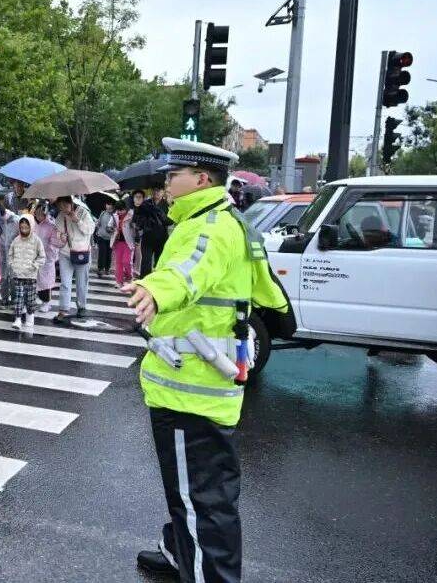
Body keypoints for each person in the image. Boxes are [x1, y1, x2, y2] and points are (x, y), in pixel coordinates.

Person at [126, 138, 292, 583]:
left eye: (173, 174)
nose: (166, 180)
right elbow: (266, 290)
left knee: (202, 500)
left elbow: (187, 271)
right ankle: (179, 549)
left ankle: (204, 569)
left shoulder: (208, 227)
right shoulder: (225, 221)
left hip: (190, 393)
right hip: (204, 385)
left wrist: (156, 291)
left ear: (201, 179)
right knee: (197, 492)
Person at [52, 196, 96, 324]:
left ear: (71, 203)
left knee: (81, 282)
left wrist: (77, 221)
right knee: (65, 282)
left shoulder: (83, 213)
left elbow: (90, 230)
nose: (63, 209)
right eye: (60, 206)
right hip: (65, 252)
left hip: (81, 252)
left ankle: (81, 307)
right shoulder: (60, 216)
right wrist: (61, 236)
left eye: (65, 206)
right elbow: (58, 231)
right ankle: (63, 309)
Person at [8, 213, 44, 330]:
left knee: (30, 298)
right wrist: (13, 265)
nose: (24, 229)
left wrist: (34, 265)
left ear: (31, 227)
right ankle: (17, 319)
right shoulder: (16, 240)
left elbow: (42, 257)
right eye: (22, 227)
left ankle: (30, 317)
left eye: (26, 227)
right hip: (18, 275)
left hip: (31, 276)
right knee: (18, 298)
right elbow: (10, 255)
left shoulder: (37, 240)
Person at [138, 186, 173, 277]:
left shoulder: (167, 204)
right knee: (146, 261)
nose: (156, 192)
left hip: (161, 238)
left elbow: (170, 221)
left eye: (159, 191)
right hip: (147, 237)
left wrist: (160, 214)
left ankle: (157, 282)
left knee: (159, 262)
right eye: (154, 190)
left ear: (163, 192)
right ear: (152, 191)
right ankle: (144, 281)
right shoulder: (146, 204)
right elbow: (139, 219)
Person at [0, 192, 21, 308]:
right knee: (3, 277)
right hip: (2, 253)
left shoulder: (16, 220)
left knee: (13, 277)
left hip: (14, 253)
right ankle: (4, 299)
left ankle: (14, 300)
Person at [32, 202, 58, 313]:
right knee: (35, 280)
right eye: (36, 213)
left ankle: (46, 302)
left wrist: (49, 253)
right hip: (34, 256)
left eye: (40, 213)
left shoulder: (51, 225)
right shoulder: (32, 223)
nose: (38, 216)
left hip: (46, 256)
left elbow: (54, 243)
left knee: (46, 281)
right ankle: (40, 299)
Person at [111, 199, 135, 286]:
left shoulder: (131, 215)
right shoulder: (114, 216)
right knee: (118, 262)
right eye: (118, 210)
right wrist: (112, 229)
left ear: (126, 208)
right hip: (118, 242)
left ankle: (129, 276)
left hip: (128, 241)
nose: (119, 212)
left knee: (127, 261)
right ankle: (119, 281)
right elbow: (109, 227)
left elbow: (136, 228)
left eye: (121, 210)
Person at [95, 199, 116, 278]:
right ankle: (100, 269)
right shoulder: (103, 213)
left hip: (111, 238)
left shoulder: (115, 215)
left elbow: (116, 226)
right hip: (101, 236)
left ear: (113, 206)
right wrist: (96, 224)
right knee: (102, 253)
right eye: (107, 204)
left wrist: (111, 229)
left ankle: (107, 268)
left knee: (108, 253)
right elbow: (99, 223)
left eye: (110, 204)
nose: (109, 206)